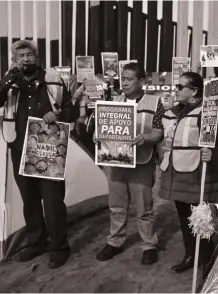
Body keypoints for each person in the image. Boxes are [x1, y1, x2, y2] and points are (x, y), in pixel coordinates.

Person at [0, 40, 78, 268]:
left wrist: (57, 116)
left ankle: (59, 247)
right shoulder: (10, 82)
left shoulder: (53, 79)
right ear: (14, 60)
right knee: (30, 200)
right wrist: (9, 78)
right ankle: (37, 242)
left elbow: (72, 110)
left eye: (29, 54)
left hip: (48, 149)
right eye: (20, 56)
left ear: (37, 57)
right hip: (19, 148)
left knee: (53, 201)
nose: (25, 59)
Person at [94, 62, 164, 265]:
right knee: (116, 207)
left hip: (141, 163)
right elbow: (100, 131)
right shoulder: (113, 101)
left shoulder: (154, 103)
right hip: (115, 163)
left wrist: (145, 138)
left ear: (141, 81)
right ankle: (115, 242)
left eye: (128, 79)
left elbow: (159, 132)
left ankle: (149, 244)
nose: (123, 82)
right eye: (122, 79)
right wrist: (97, 137)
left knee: (144, 208)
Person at [159, 72, 218, 273]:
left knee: (201, 219)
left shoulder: (209, 113)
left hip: (198, 173)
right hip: (176, 173)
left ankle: (207, 259)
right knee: (184, 217)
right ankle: (191, 255)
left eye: (180, 87)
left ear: (194, 91)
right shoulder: (174, 112)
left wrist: (212, 154)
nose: (176, 90)